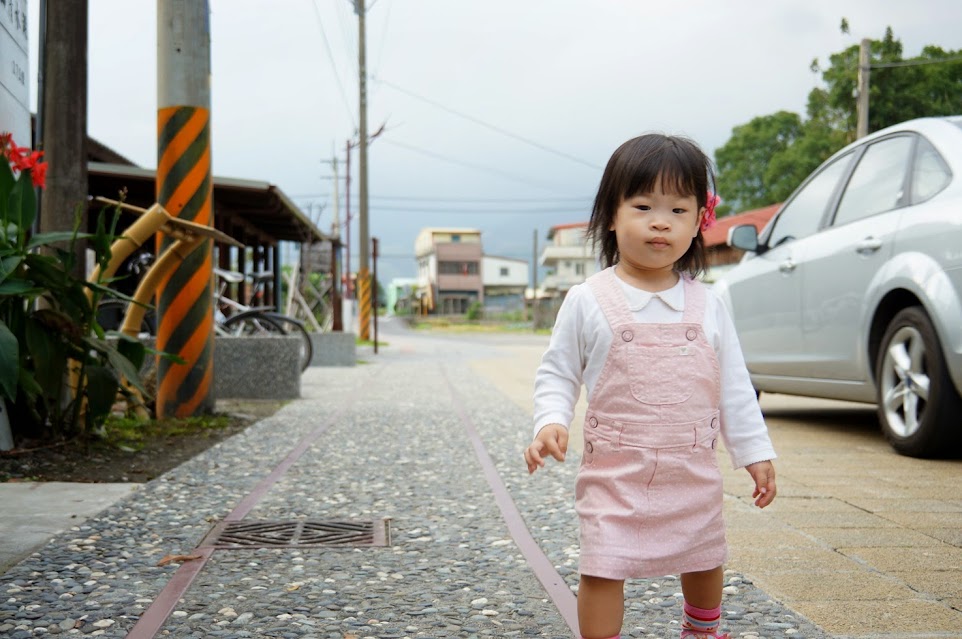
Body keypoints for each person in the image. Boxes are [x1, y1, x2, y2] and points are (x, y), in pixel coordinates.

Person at [523, 134, 777, 639]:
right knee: (602, 561)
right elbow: (558, 371)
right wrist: (550, 421)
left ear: (698, 223)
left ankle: (702, 631)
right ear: (611, 217)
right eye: (643, 206)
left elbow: (734, 387)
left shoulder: (710, 303)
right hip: (616, 472)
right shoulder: (587, 299)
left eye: (679, 209)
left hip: (691, 468)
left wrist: (754, 450)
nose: (660, 221)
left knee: (704, 552)